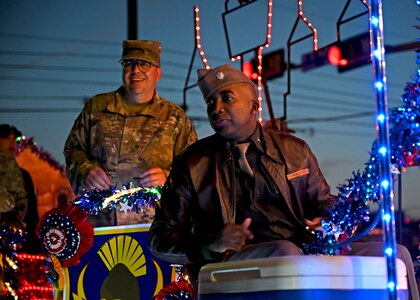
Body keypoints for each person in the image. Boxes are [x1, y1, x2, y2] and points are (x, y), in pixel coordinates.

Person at [148, 64, 419, 300]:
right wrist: (212, 243)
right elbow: (160, 239)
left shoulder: (294, 150)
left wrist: (327, 221)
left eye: (226, 98)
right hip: (227, 263)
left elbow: (325, 203)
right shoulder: (193, 163)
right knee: (285, 251)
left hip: (304, 250)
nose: (216, 108)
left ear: (254, 105)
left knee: (395, 254)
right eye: (210, 103)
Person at [64, 40, 197, 226]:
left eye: (144, 64)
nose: (135, 70)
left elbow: (194, 170)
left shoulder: (175, 118)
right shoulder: (97, 108)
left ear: (158, 73)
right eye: (129, 63)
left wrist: (168, 179)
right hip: (101, 223)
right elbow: (72, 150)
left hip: (154, 227)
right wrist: (86, 170)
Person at [0, 124, 41, 254]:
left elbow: (32, 214)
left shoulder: (24, 175)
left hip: (19, 243)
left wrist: (35, 247)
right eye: (6, 137)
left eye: (16, 140)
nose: (12, 142)